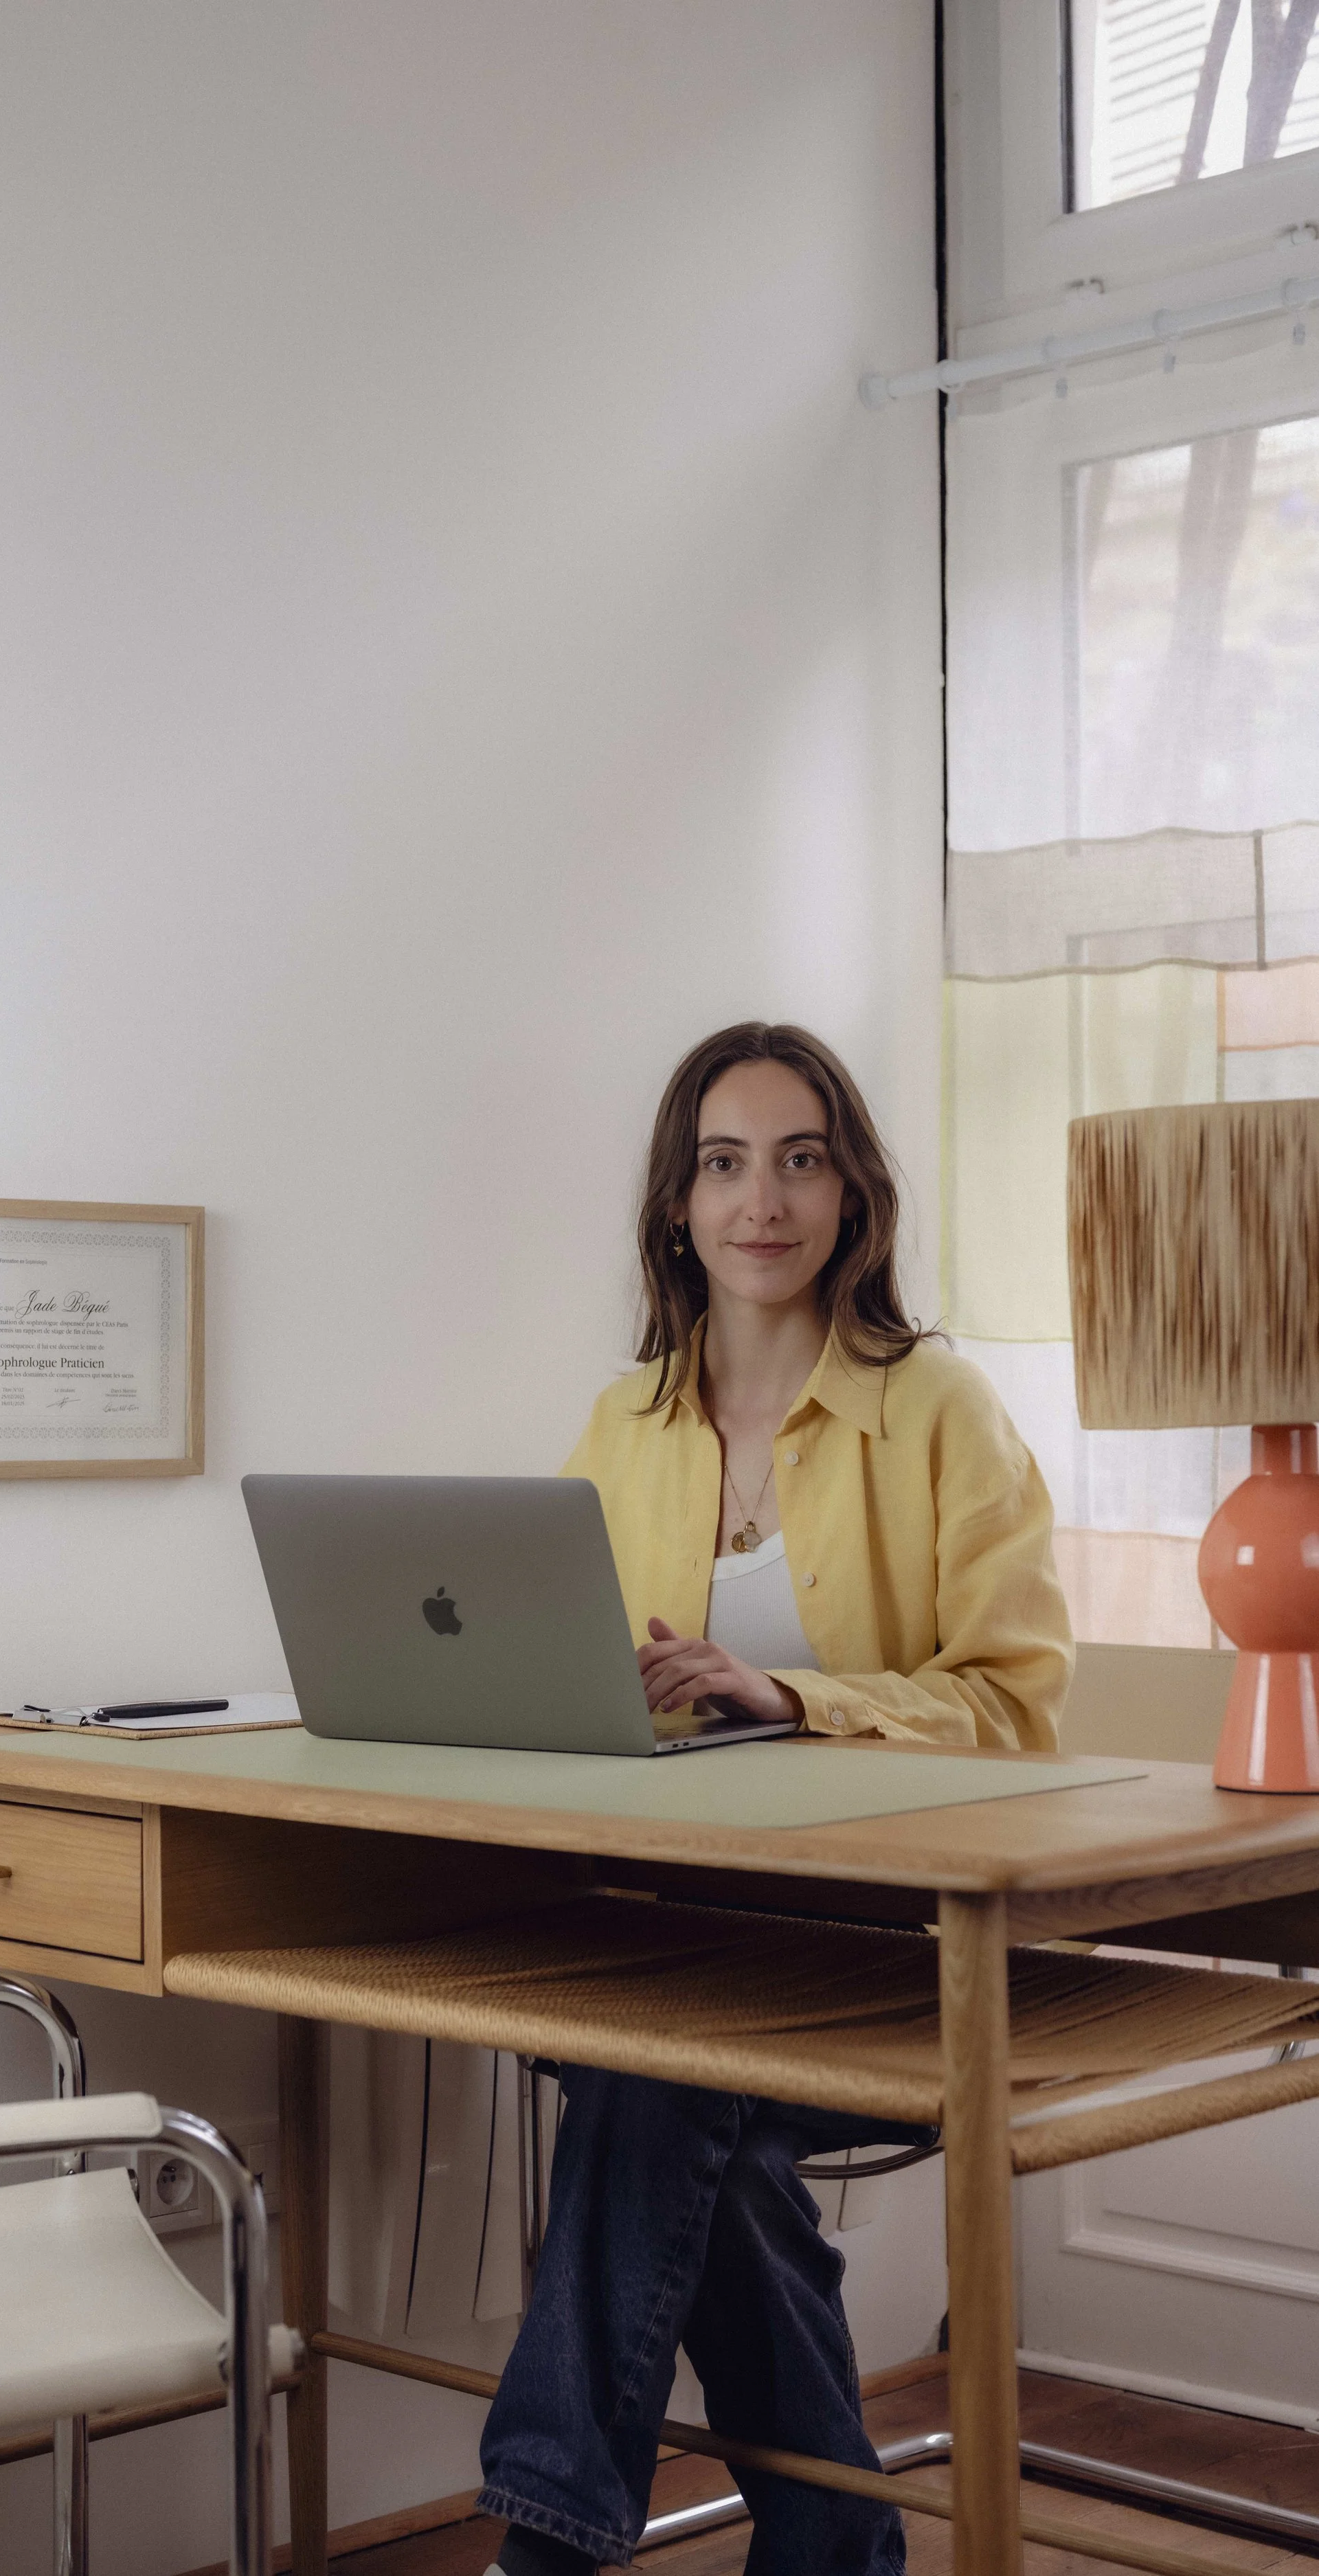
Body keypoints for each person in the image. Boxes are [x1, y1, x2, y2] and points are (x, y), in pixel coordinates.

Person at [476, 1020, 1073, 2576]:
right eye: (724, 1163)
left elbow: (1015, 1709)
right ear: (677, 1201)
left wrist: (792, 1697)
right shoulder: (624, 1425)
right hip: (675, 1937)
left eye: (801, 1159)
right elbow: (568, 1682)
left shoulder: (936, 1410)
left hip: (891, 1958)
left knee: (649, 2084)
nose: (763, 1200)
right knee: (680, 2105)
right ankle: (831, 2545)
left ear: (849, 1190)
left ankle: (544, 2545)